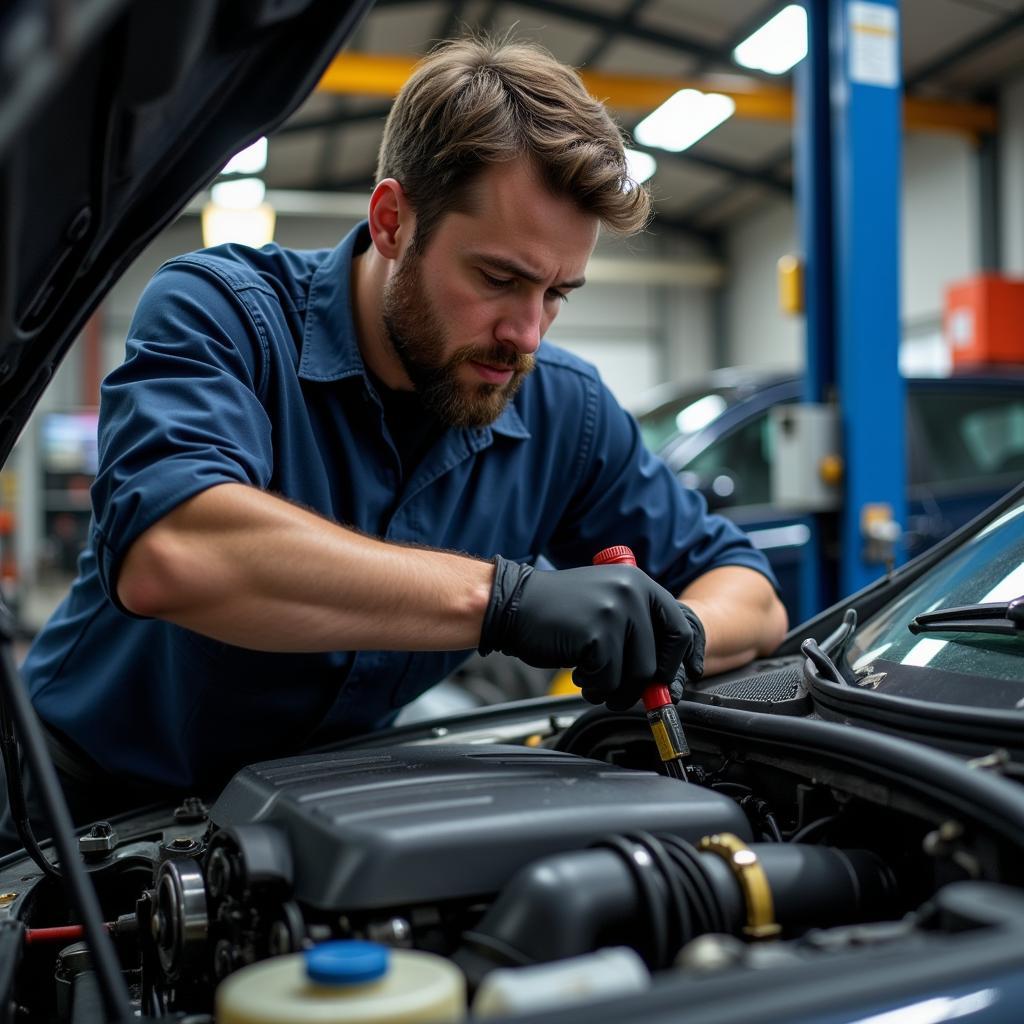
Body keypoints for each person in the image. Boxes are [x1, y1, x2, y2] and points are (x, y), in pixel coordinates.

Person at [6, 36, 786, 849]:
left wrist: (676, 635)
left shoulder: (565, 409)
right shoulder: (224, 314)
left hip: (307, 814)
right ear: (391, 222)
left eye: (558, 293)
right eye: (498, 279)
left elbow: (751, 592)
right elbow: (175, 550)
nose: (526, 333)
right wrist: (505, 603)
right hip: (80, 814)